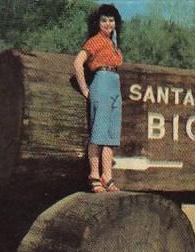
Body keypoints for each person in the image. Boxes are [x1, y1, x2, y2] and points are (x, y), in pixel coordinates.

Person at [74, 4, 123, 193]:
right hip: (101, 82)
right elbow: (78, 62)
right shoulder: (95, 41)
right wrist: (85, 88)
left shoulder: (115, 45)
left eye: (111, 20)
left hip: (114, 84)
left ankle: (107, 176)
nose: (108, 24)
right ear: (98, 23)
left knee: (111, 135)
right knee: (98, 133)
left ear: (116, 23)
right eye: (104, 20)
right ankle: (94, 175)